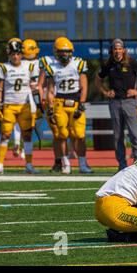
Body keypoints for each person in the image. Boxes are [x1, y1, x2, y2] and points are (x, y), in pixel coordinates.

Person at [96, 39, 137, 171]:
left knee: (134, 133)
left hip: (129, 102)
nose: (117, 51)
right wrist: (105, 92)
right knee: (118, 135)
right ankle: (122, 165)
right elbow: (97, 79)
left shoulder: (131, 62)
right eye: (115, 49)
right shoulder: (108, 63)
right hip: (114, 102)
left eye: (119, 48)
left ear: (124, 50)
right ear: (112, 51)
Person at [41, 37, 92, 174]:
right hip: (59, 103)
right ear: (56, 52)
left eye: (67, 51)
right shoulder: (52, 67)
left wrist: (81, 103)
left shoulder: (78, 63)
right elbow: (51, 90)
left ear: (71, 51)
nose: (64, 54)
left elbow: (84, 86)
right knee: (61, 135)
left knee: (80, 135)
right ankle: (65, 163)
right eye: (62, 52)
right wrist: (50, 109)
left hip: (75, 101)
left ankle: (82, 164)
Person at [0, 39, 39, 174]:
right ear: (9, 55)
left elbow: (34, 87)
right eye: (13, 54)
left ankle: (29, 165)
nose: (15, 57)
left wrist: (38, 104)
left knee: (27, 136)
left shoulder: (29, 66)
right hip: (9, 106)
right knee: (5, 135)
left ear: (21, 54)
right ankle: (0, 164)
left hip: (25, 106)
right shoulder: (3, 67)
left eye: (17, 54)